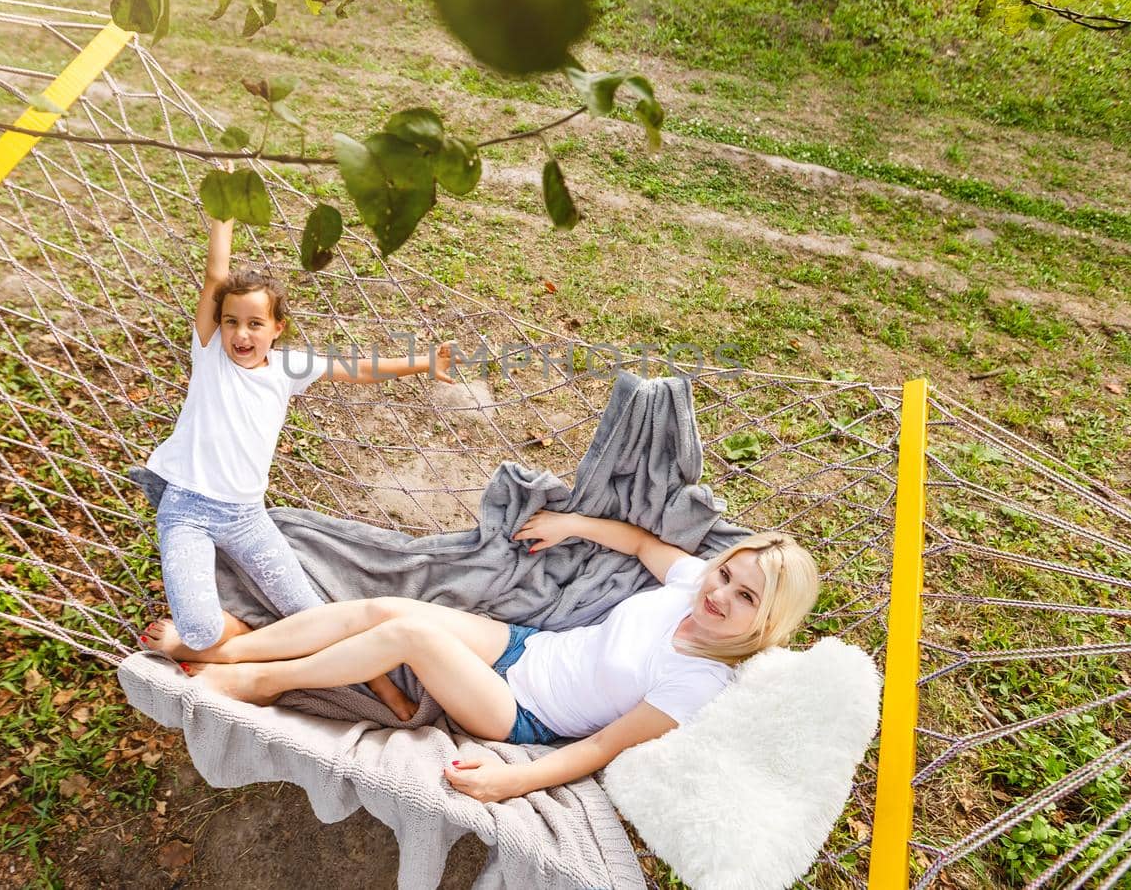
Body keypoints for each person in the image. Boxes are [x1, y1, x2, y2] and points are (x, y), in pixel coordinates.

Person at [146, 510, 819, 803]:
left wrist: (512, 781)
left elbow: (602, 745)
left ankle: (260, 679)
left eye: (744, 595)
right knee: (385, 607)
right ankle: (229, 644)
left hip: (522, 711)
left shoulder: (698, 680)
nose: (720, 592)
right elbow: (644, 546)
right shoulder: (694, 585)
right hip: (524, 646)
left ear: (767, 621)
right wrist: (574, 525)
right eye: (726, 573)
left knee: (412, 636)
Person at [138, 214, 456, 721]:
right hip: (187, 512)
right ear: (217, 325)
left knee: (313, 614)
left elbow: (357, 369)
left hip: (245, 516)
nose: (241, 334)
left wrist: (421, 364)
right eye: (231, 321)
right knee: (197, 631)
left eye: (255, 323)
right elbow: (215, 278)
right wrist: (223, 214)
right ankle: (245, 637)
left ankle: (385, 693)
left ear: (276, 328)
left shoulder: (287, 367)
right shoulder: (210, 356)